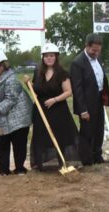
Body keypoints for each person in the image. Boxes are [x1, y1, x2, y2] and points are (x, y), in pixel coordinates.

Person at [25, 43, 80, 171]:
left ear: (56, 57)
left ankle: (63, 162)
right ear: (43, 58)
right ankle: (41, 164)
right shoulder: (38, 72)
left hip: (58, 110)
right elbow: (36, 90)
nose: (49, 58)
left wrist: (54, 100)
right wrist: (28, 84)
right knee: (41, 136)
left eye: (51, 56)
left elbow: (68, 91)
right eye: (46, 56)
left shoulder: (62, 73)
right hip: (41, 111)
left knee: (60, 135)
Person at [0, 48, 32, 175]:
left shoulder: (11, 79)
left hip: (18, 117)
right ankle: (3, 171)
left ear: (2, 65)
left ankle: (20, 168)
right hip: (0, 118)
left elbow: (10, 99)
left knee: (18, 143)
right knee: (1, 143)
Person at [69, 33, 109, 166]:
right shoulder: (77, 63)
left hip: (98, 100)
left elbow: (101, 79)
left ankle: (97, 156)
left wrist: (105, 95)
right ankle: (86, 160)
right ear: (86, 46)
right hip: (86, 103)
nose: (96, 53)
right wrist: (83, 110)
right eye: (93, 50)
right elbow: (77, 89)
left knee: (99, 130)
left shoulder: (98, 59)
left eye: (98, 50)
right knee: (87, 132)